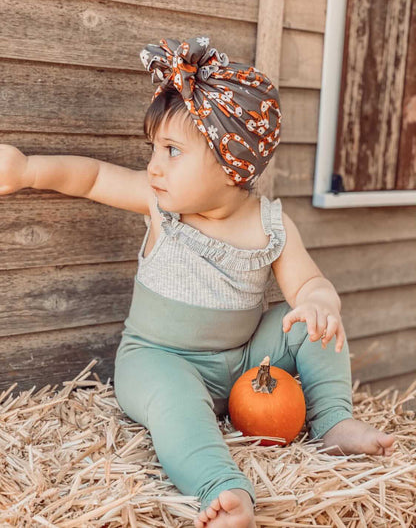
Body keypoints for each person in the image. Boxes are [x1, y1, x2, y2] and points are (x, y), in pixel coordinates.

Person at [0, 35, 396, 528]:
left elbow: (310, 282)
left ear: (232, 167)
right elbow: (93, 178)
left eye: (171, 151)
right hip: (159, 359)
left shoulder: (271, 226)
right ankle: (222, 487)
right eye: (154, 149)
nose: (153, 166)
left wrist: (319, 304)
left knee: (308, 326)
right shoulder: (161, 205)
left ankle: (333, 420)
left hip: (245, 358)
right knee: (175, 403)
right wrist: (27, 169)